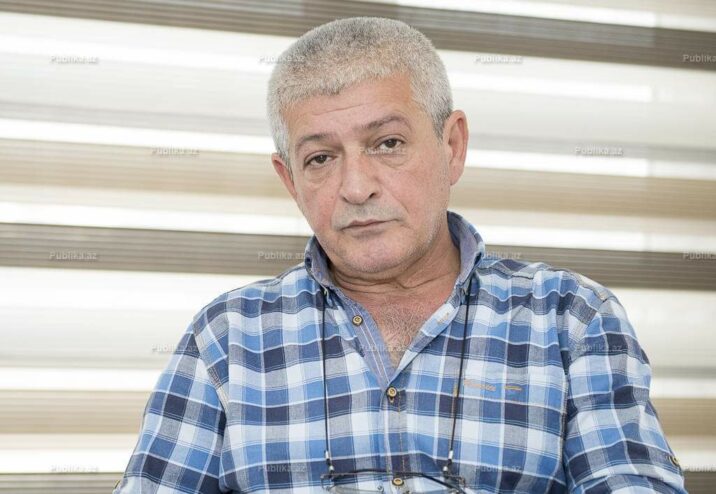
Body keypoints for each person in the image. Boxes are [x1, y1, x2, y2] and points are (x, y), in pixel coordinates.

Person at [114, 17, 686, 493]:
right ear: (290, 181)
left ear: (452, 146)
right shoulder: (227, 338)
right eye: (320, 159)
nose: (356, 187)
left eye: (387, 143)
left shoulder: (570, 319)